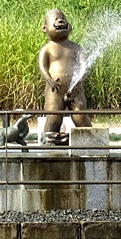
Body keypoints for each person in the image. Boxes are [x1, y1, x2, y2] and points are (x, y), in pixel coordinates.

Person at [37, 8, 92, 144]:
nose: (60, 20)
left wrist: (79, 80)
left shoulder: (76, 48)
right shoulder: (47, 48)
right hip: (55, 90)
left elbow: (84, 65)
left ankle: (88, 138)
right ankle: (50, 138)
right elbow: (43, 67)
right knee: (53, 116)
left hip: (75, 90)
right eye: (55, 19)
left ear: (70, 27)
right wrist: (49, 80)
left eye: (63, 18)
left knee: (80, 116)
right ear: (45, 28)